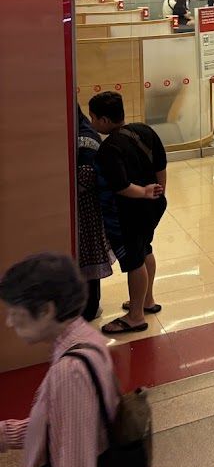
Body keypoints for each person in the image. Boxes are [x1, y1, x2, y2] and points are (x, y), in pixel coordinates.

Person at [0, 253, 157, 467]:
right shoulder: (87, 339)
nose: (8, 321)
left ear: (46, 310)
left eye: (15, 312)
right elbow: (69, 425)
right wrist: (7, 434)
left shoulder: (69, 373)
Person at [87, 91, 167, 336]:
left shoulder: (109, 148)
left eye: (93, 118)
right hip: (153, 206)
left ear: (103, 120)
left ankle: (135, 317)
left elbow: (121, 186)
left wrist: (143, 193)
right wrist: (158, 194)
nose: (92, 123)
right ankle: (146, 301)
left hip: (130, 211)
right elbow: (161, 163)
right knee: (145, 249)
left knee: (134, 260)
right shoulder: (143, 130)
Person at [76, 106, 113, 321]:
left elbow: (87, 176)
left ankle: (89, 308)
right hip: (88, 209)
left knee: (88, 256)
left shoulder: (84, 139)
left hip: (87, 210)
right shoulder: (85, 131)